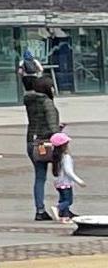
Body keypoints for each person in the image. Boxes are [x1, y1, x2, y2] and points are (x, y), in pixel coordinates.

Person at [24, 73, 63, 221]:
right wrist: (59, 135)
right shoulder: (47, 103)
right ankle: (64, 206)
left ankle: (39, 209)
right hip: (46, 142)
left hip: (32, 141)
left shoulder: (30, 101)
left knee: (39, 177)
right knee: (61, 173)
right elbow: (53, 128)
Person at [49, 129, 84, 220]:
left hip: (58, 182)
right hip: (65, 182)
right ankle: (58, 208)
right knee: (68, 200)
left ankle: (64, 213)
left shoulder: (56, 156)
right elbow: (68, 171)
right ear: (64, 146)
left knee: (63, 198)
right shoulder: (66, 157)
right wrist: (78, 181)